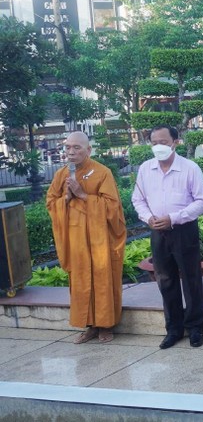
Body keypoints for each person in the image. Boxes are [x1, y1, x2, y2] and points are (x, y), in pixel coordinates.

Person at [132, 125, 203, 349]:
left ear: (176, 142)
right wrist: (149, 218)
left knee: (191, 278)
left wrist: (174, 218)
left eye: (163, 142)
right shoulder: (146, 169)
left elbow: (202, 201)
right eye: (154, 142)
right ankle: (173, 329)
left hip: (183, 229)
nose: (158, 147)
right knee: (165, 280)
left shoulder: (189, 168)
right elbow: (138, 199)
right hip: (157, 229)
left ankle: (195, 328)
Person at [47, 132, 126, 344]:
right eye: (67, 148)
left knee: (102, 280)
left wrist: (82, 195)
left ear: (88, 150)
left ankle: (106, 325)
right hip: (76, 240)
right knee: (81, 282)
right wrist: (65, 198)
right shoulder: (61, 174)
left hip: (100, 238)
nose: (71, 152)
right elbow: (50, 203)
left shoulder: (102, 172)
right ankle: (90, 325)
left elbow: (113, 208)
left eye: (77, 148)